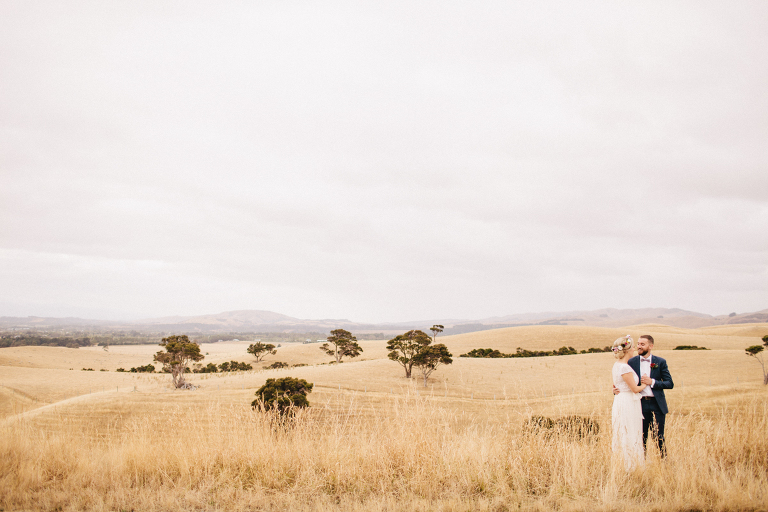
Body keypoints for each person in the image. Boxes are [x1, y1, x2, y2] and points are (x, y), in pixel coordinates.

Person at [630, 334, 673, 457]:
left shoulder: (660, 362)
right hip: (639, 404)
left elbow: (669, 383)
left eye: (642, 344)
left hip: (656, 404)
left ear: (651, 346)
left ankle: (664, 462)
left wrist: (652, 382)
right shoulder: (631, 362)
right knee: (641, 438)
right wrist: (616, 389)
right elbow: (626, 380)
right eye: (638, 344)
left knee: (659, 437)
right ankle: (641, 463)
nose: (639, 346)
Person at [611, 335, 646, 470]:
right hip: (627, 402)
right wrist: (644, 384)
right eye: (632, 348)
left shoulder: (617, 365)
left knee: (624, 431)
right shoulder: (624, 368)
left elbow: (615, 385)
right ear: (627, 350)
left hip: (621, 400)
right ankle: (630, 466)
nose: (634, 350)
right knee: (630, 431)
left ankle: (624, 464)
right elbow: (634, 389)